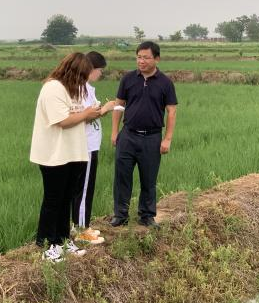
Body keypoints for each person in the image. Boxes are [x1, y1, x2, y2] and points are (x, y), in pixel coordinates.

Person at [30, 52, 102, 262]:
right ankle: (46, 244)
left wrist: (91, 113)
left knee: (67, 199)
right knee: (53, 200)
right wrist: (87, 114)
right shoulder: (53, 88)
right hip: (54, 155)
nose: (83, 81)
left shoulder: (74, 88)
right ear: (72, 71)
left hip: (73, 153)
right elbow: (62, 120)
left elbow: (79, 117)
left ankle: (62, 240)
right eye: (82, 75)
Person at [110, 41, 178, 228]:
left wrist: (167, 139)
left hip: (152, 137)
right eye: (139, 57)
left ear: (157, 59)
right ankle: (120, 215)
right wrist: (115, 132)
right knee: (122, 177)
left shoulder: (165, 83)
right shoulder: (128, 79)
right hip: (128, 135)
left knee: (149, 179)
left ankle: (147, 215)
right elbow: (118, 105)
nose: (141, 61)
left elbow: (171, 111)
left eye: (146, 58)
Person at [71, 51, 116, 244]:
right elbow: (84, 116)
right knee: (84, 189)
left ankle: (79, 225)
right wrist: (106, 108)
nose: (101, 74)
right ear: (91, 69)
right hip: (86, 145)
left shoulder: (86, 88)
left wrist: (102, 110)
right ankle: (82, 231)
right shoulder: (80, 89)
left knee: (82, 188)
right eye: (100, 70)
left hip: (89, 143)